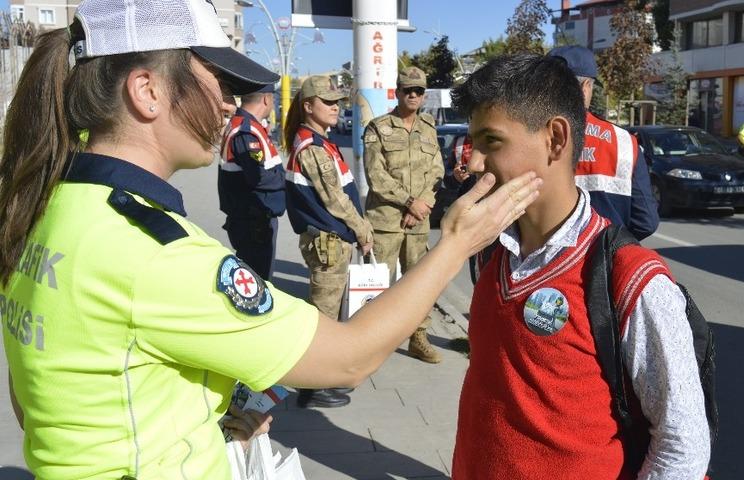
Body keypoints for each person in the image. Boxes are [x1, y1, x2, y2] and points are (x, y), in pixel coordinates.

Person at [0, 1, 542, 478]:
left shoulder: (49, 208)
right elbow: (348, 359)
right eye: (219, 84)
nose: (229, 106)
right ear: (147, 92)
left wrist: (195, 416)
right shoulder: (152, 253)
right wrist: (454, 244)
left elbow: (41, 402)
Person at [450, 54, 710, 479]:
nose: (475, 162)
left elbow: (683, 444)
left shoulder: (630, 278)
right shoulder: (490, 250)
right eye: (473, 143)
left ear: (555, 139)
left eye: (491, 142)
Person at [283, 75, 374, 409]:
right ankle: (313, 386)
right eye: (328, 102)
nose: (336, 108)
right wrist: (363, 230)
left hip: (330, 240)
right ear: (309, 106)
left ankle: (319, 381)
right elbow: (336, 200)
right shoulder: (313, 148)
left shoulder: (318, 142)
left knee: (326, 316)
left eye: (337, 102)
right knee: (323, 319)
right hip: (328, 241)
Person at [363, 66, 445, 363]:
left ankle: (418, 337)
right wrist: (410, 202)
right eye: (408, 90)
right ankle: (372, 341)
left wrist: (422, 204)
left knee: (419, 284)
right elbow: (376, 175)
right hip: (386, 220)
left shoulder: (429, 127)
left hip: (418, 221)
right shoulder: (378, 127)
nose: (413, 95)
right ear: (397, 92)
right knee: (378, 285)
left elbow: (437, 170)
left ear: (424, 95)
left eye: (419, 91)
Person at [548, 46, 659, 239]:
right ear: (585, 87)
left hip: (542, 265)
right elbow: (646, 222)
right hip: (605, 262)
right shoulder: (625, 142)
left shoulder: (528, 135)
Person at [218, 82, 285, 280]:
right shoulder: (246, 131)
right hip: (253, 222)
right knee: (258, 280)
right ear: (267, 99)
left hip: (254, 220)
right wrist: (286, 181)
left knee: (256, 276)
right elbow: (259, 177)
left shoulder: (248, 126)